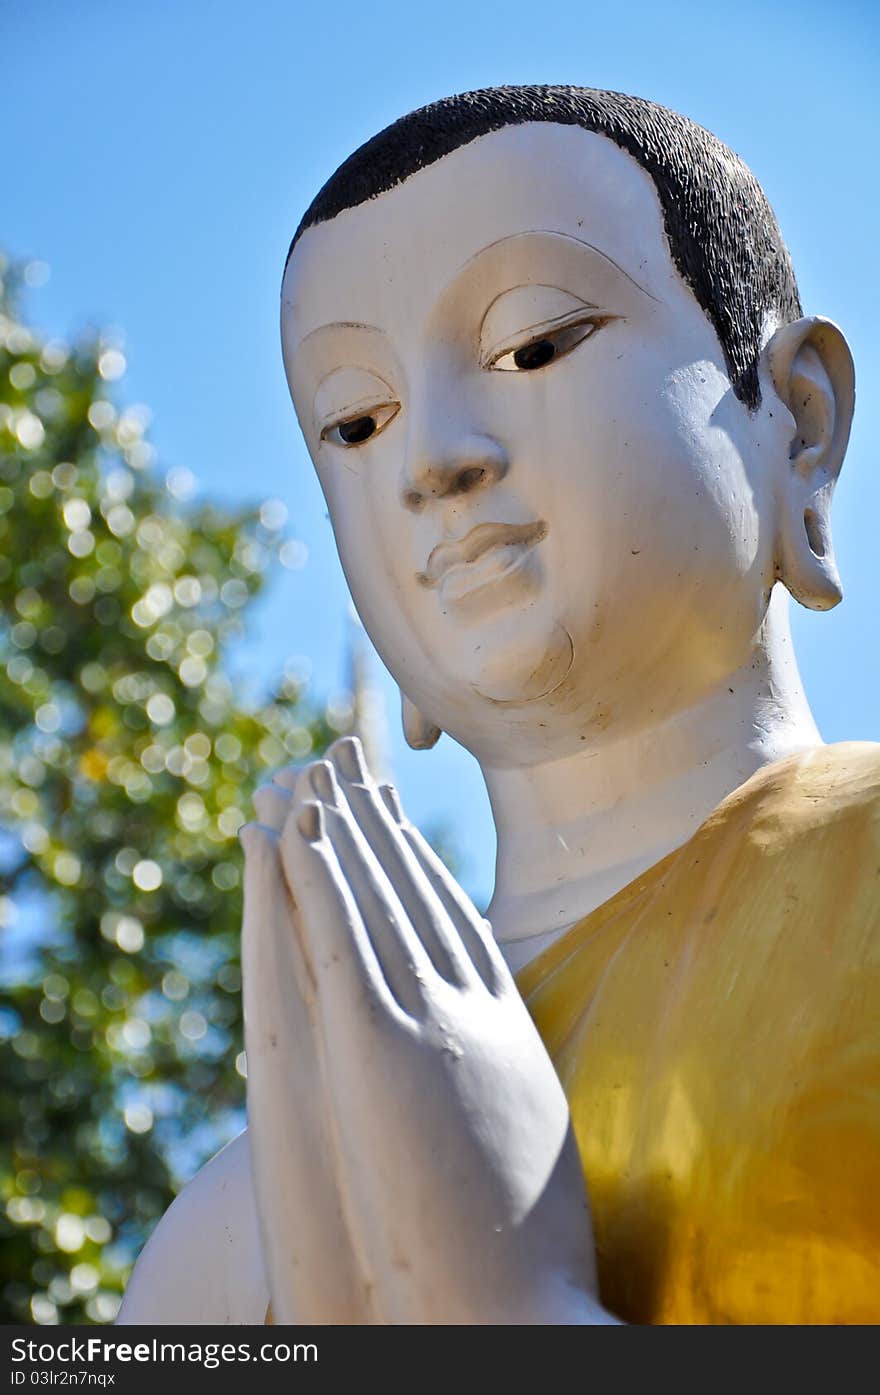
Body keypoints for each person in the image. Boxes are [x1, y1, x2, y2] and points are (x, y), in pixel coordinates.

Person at [118, 86, 879, 1326]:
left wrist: (511, 1315)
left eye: (534, 344)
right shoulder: (241, 1219)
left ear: (794, 422)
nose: (432, 463)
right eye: (356, 423)